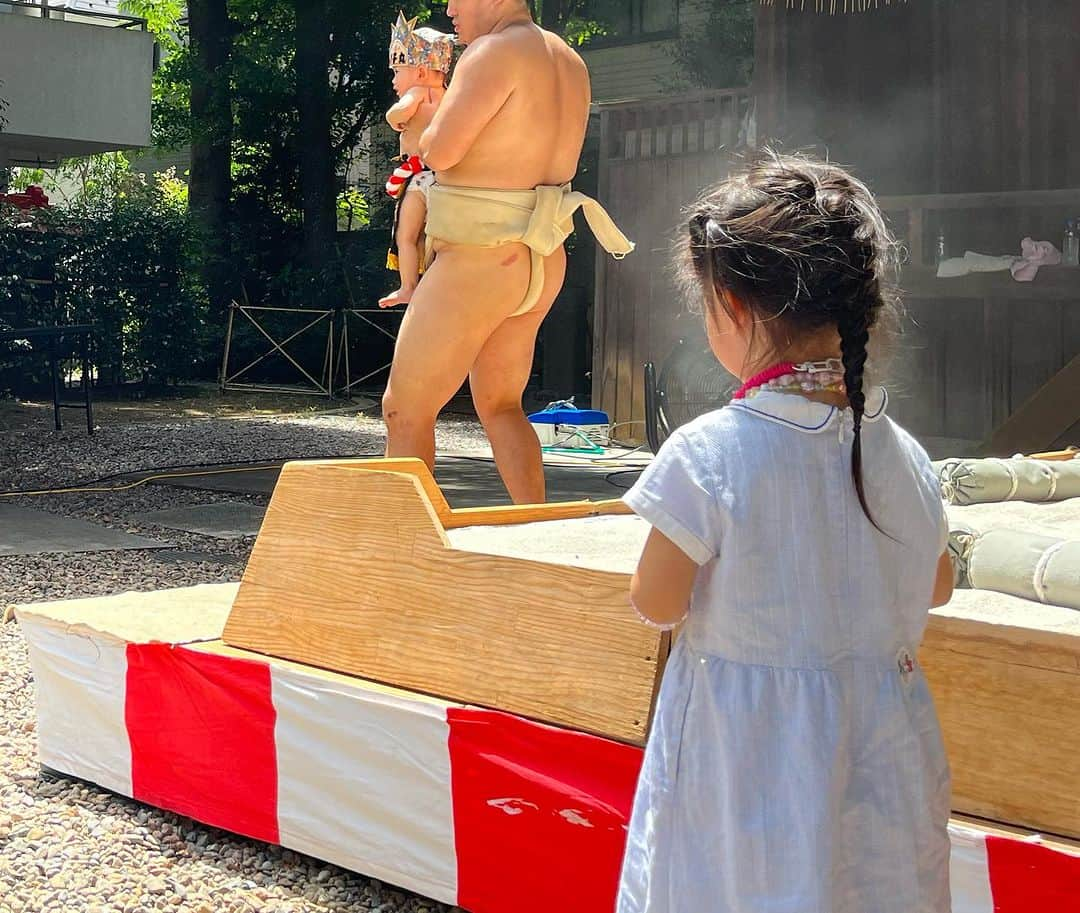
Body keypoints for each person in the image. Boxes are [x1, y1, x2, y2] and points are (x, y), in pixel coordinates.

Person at [617, 153, 956, 913]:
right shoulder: (901, 452)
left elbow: (657, 599)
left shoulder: (711, 452)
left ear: (732, 307)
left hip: (747, 764)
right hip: (884, 759)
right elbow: (936, 582)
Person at [380, 0, 633, 504]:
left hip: (479, 256)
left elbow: (441, 152)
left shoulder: (492, 52)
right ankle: (536, 524)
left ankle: (404, 547)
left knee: (404, 409)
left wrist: (420, 129)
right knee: (501, 406)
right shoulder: (568, 58)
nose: (449, 8)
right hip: (540, 256)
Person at [379, 13, 455, 310]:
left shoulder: (416, 92)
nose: (395, 80)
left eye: (397, 71)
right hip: (446, 178)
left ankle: (408, 286)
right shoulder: (451, 95)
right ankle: (436, 283)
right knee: (436, 236)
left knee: (407, 235)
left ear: (420, 71)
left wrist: (395, 119)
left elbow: (399, 111)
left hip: (419, 177)